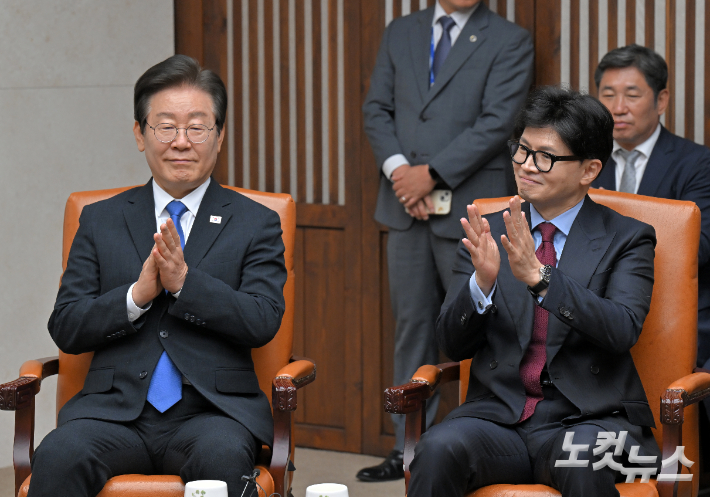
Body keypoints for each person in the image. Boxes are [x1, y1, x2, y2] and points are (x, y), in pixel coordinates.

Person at [28, 55, 287, 497]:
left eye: (197, 127)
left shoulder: (255, 222)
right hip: (111, 413)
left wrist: (186, 285)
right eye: (166, 126)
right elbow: (66, 326)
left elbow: (262, 319)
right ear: (139, 134)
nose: (181, 142)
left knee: (222, 457)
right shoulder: (100, 220)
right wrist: (136, 295)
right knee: (58, 454)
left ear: (219, 136)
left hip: (212, 414)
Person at [408, 86, 660, 496]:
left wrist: (542, 278)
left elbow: (622, 328)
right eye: (521, 150)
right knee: (438, 448)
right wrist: (482, 284)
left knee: (581, 459)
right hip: (498, 419)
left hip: (588, 419)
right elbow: (452, 344)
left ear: (589, 170)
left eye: (544, 156)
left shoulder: (627, 238)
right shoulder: (486, 231)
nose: (525, 165)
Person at [359, 0, 533, 481]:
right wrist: (402, 175)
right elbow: (377, 108)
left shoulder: (509, 39)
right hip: (404, 204)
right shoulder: (401, 31)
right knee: (412, 327)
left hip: (471, 206)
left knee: (480, 323)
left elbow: (499, 122)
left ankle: (474, 441)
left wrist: (431, 175)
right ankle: (406, 446)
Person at [592, 44, 710, 373]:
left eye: (632, 95)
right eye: (608, 95)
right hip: (595, 311)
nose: (618, 108)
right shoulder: (584, 164)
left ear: (661, 101)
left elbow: (697, 247)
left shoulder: (697, 163)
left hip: (672, 312)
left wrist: (606, 216)